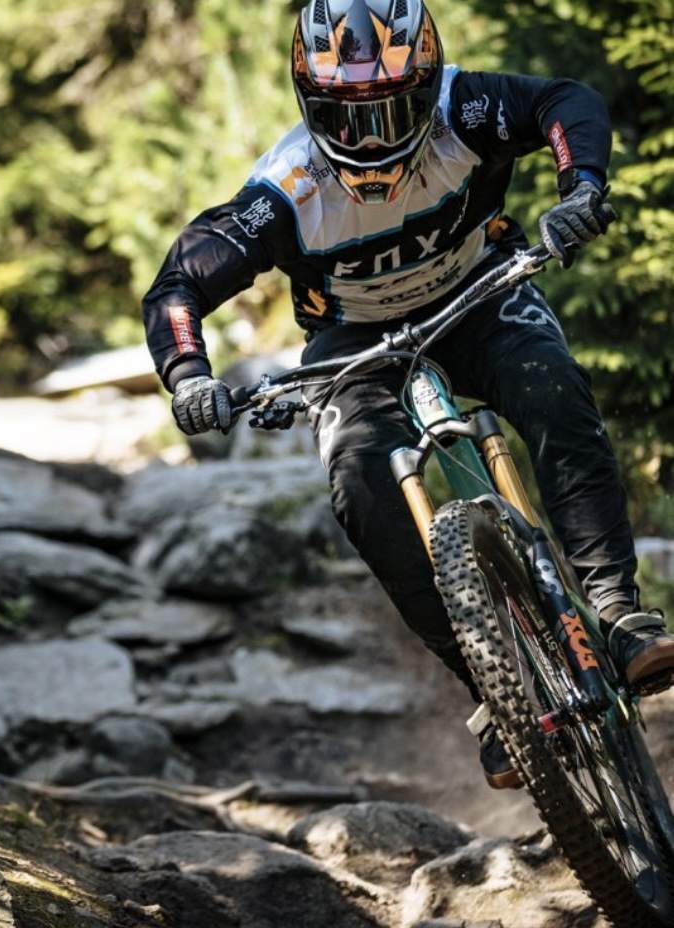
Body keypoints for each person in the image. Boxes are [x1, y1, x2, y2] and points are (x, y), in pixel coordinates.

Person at [141, 0, 674, 790]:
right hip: (354, 344)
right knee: (361, 488)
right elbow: (179, 284)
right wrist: (188, 373)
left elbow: (566, 101)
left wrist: (580, 185)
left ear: (427, 85)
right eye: (343, 116)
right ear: (306, 101)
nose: (368, 139)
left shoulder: (468, 106)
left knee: (551, 389)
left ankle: (619, 614)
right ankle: (493, 696)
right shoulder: (283, 190)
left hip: (483, 295)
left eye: (390, 111)